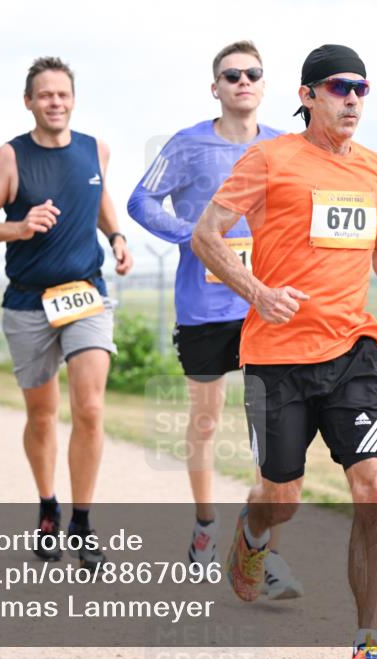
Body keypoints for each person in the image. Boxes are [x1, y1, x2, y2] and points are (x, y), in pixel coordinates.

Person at [191, 44, 377, 659]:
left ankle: (369, 639)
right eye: (339, 87)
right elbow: (206, 235)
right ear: (308, 95)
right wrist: (257, 291)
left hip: (353, 350)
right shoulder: (269, 159)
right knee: (281, 495)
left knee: (375, 489)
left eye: (361, 89)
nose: (351, 99)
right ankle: (254, 535)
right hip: (277, 357)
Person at [127, 40, 302, 599]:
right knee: (206, 421)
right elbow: (141, 201)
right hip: (204, 308)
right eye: (232, 75)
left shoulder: (284, 145)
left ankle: (260, 556)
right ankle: (206, 525)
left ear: (263, 84)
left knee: (269, 433)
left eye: (252, 74)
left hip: (264, 305)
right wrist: (195, 238)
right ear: (216, 87)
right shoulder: (187, 145)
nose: (242, 82)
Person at [0, 56, 133, 569]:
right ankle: (47, 507)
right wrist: (19, 227)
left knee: (89, 408)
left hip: (85, 293)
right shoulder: (9, 158)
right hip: (27, 301)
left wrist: (118, 235)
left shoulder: (95, 149)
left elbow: (101, 196)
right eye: (45, 95)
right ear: (29, 102)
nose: (54, 102)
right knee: (42, 416)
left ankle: (82, 521)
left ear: (73, 99)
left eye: (62, 94)